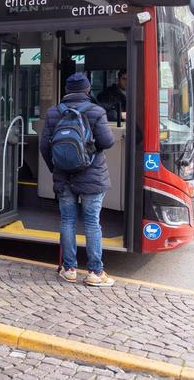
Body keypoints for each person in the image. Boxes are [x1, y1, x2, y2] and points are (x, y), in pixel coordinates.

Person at [40, 73, 116, 287]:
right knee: (92, 222)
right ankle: (94, 272)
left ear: (66, 89)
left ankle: (69, 269)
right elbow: (108, 141)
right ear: (87, 89)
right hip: (92, 176)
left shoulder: (54, 112)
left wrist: (56, 168)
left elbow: (45, 146)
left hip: (64, 178)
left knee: (68, 221)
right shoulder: (96, 111)